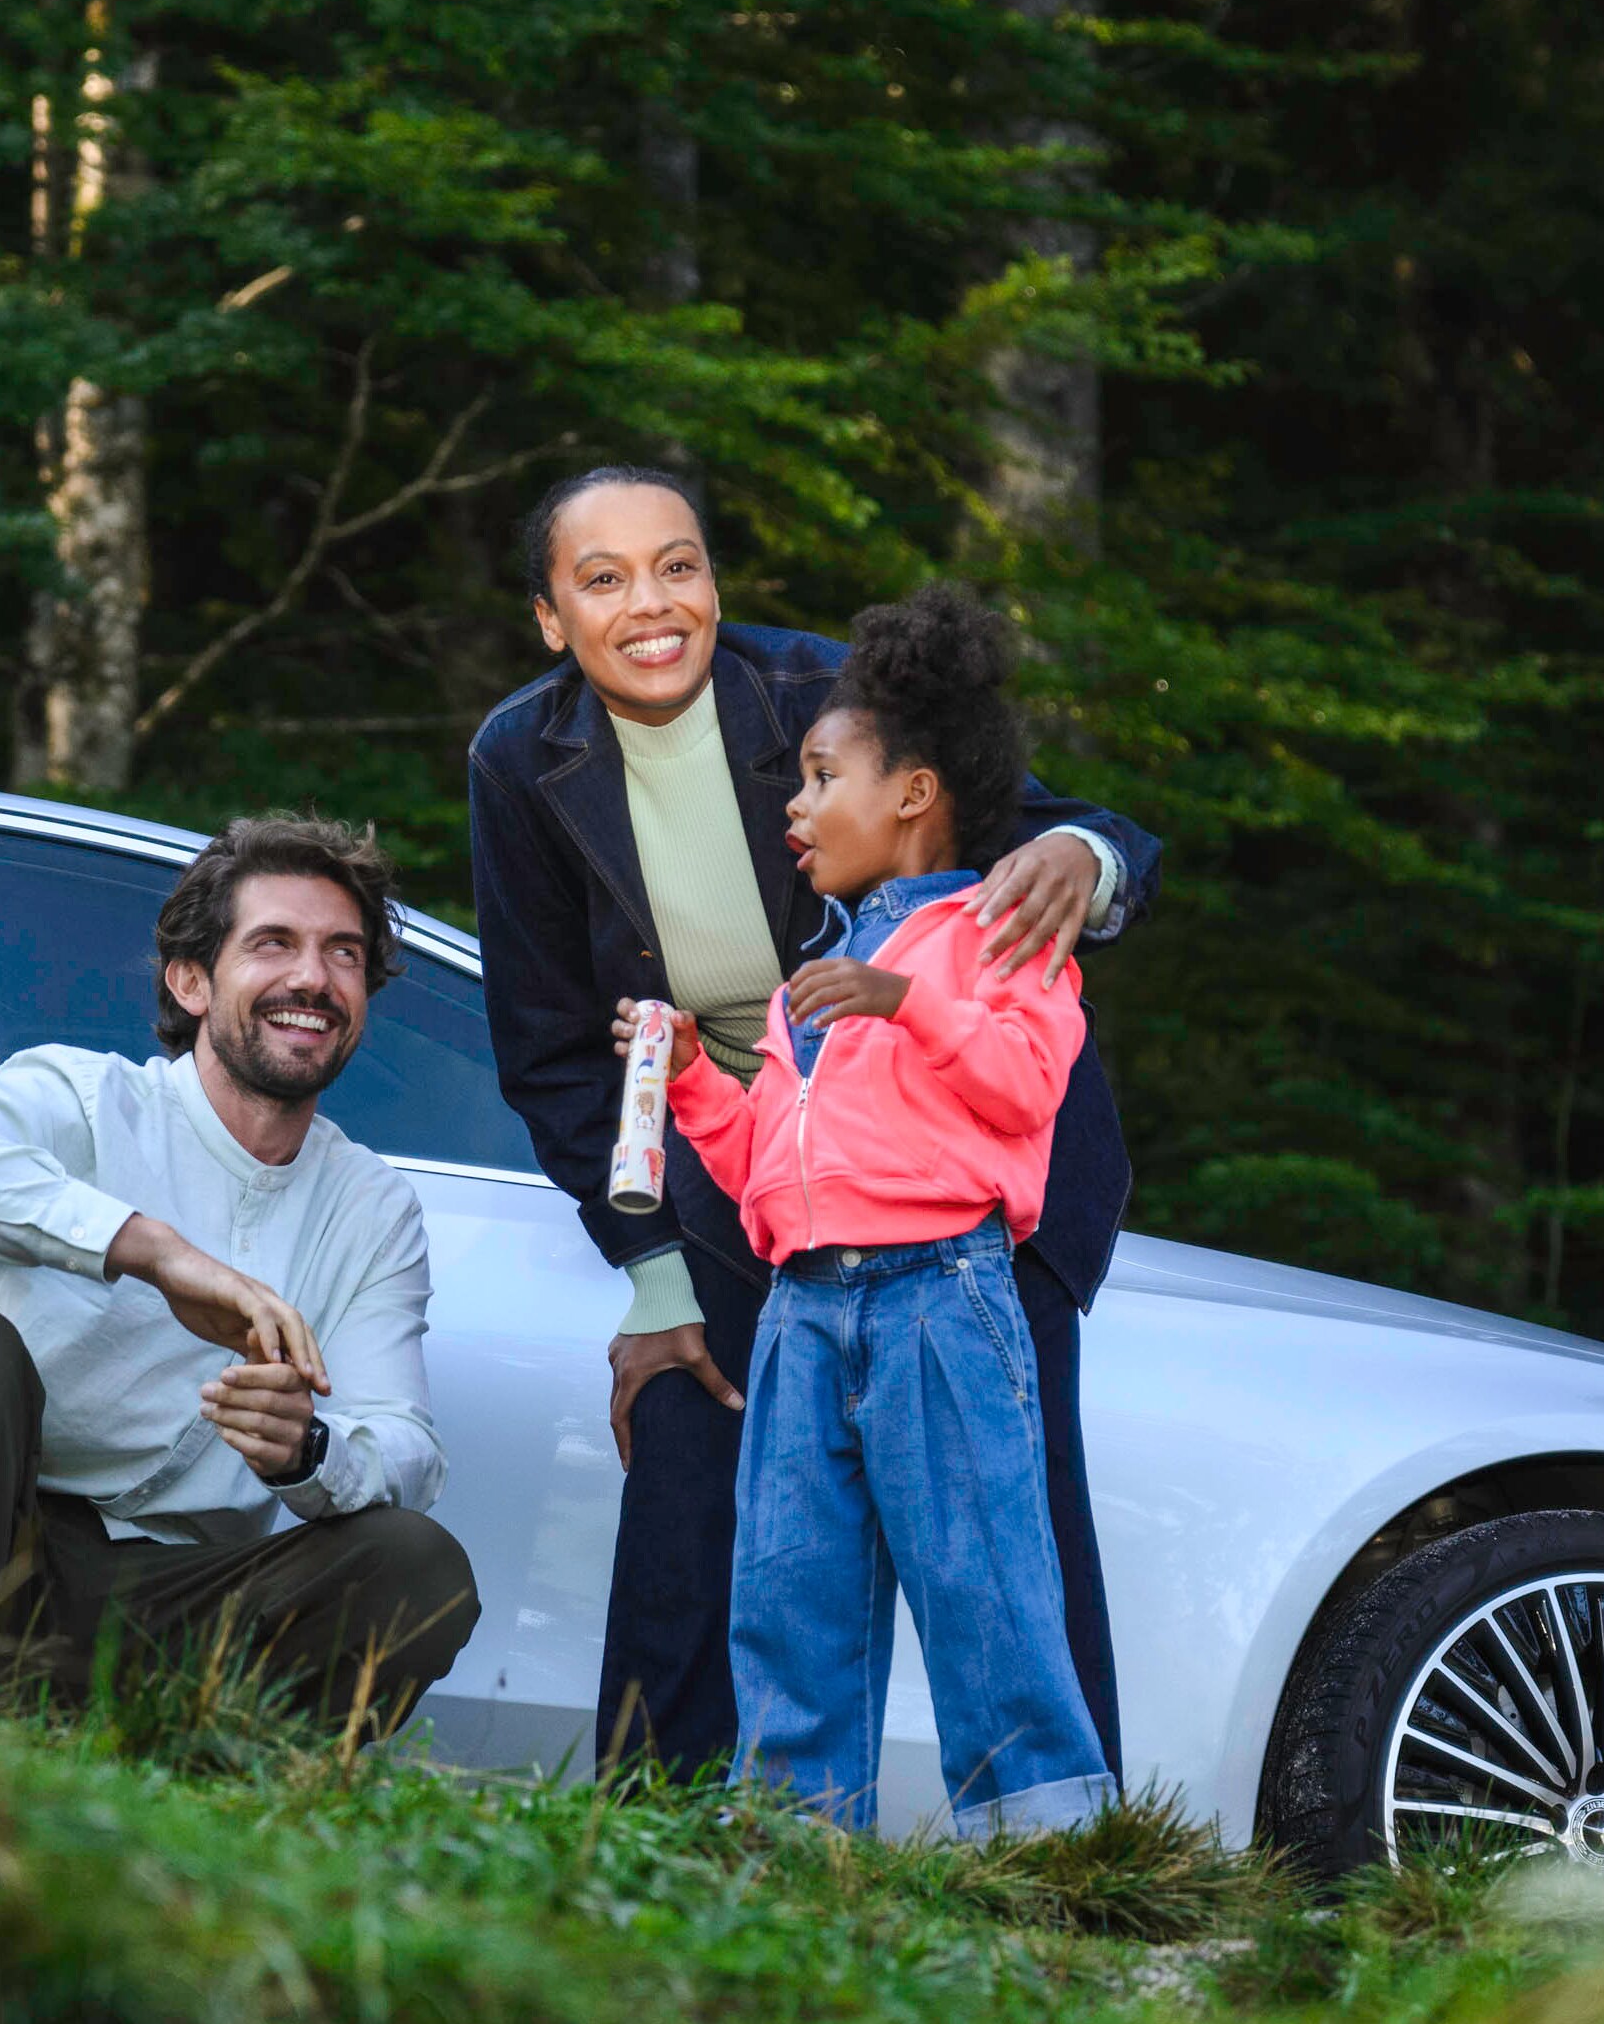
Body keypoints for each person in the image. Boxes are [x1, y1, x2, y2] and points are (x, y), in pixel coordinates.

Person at [469, 465, 1159, 1782]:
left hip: (966, 1184)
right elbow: (551, 1050)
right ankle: (675, 1852)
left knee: (1007, 1539)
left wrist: (1093, 855)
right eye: (603, 577)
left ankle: (1074, 1859)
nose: (652, 601)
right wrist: (651, 1272)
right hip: (749, 1170)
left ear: (717, 578)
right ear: (553, 617)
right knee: (708, 1513)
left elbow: (1035, 814)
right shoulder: (521, 758)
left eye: (680, 563)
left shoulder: (810, 694)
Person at [0, 813, 479, 1736]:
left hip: (156, 1600)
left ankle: (209, 1821)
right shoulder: (87, 1099)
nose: (313, 977)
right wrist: (150, 1250)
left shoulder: (373, 1207)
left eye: (343, 953)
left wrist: (309, 1451)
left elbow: (406, 1447)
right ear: (190, 980)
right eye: (273, 943)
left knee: (416, 1565)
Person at [623, 585, 1111, 1833]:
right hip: (801, 1310)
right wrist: (689, 1076)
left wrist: (904, 1003)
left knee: (982, 1582)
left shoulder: (996, 933)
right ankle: (797, 1843)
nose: (794, 805)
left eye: (821, 775)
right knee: (788, 1593)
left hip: (938, 1298)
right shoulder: (815, 979)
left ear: (913, 793)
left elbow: (1021, 1090)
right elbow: (764, 1174)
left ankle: (1048, 1847)